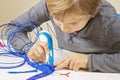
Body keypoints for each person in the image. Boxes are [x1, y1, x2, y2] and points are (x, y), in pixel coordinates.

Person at [5, 0, 120, 72]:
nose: (64, 29)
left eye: (73, 23)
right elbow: (12, 27)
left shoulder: (108, 21)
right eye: (57, 20)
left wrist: (89, 61)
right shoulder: (50, 5)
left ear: (92, 14)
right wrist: (28, 47)